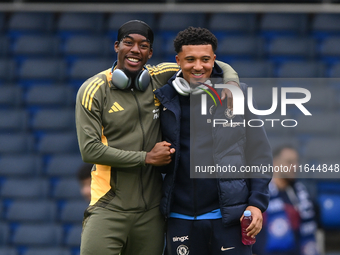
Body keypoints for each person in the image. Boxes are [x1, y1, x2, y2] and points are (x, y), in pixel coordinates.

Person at [75, 20, 240, 255]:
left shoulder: (157, 76)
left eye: (143, 45)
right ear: (116, 46)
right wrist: (146, 158)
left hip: (153, 211)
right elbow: (89, 150)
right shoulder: (94, 89)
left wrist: (231, 81)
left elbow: (204, 60)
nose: (135, 50)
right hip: (109, 206)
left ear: (150, 52)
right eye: (128, 43)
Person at [154, 26, 273, 255]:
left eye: (205, 59)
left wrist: (257, 203)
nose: (198, 66)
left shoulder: (239, 96)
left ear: (214, 60)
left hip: (229, 218)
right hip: (180, 218)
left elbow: (260, 154)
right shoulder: (163, 98)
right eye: (190, 59)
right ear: (178, 60)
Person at [252, 145, 320, 255]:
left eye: (296, 162)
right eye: (289, 162)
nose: (295, 167)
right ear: (274, 163)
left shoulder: (301, 194)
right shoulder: (259, 195)